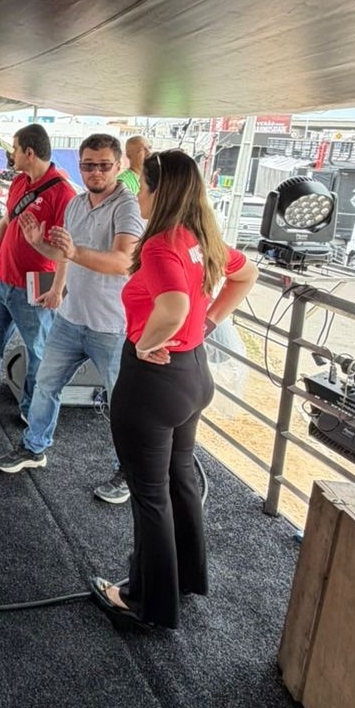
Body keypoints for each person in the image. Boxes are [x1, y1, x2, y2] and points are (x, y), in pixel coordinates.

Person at [90, 150, 256, 631]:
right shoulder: (200, 237)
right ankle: (186, 578)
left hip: (154, 383)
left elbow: (174, 306)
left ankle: (146, 601)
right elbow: (247, 275)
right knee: (179, 479)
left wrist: (145, 344)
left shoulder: (162, 244)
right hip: (192, 376)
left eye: (141, 185)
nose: (136, 193)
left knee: (149, 495)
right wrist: (209, 322)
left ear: (161, 190)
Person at [0, 134, 143, 506]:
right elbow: (64, 255)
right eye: (88, 164)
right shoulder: (75, 205)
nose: (95, 172)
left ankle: (131, 471)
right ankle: (33, 447)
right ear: (80, 165)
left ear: (119, 166)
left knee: (123, 402)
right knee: (45, 383)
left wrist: (73, 252)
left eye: (103, 165)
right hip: (71, 318)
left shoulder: (127, 207)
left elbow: (124, 261)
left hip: (112, 324)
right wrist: (41, 246)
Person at [0, 123, 75, 423]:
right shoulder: (19, 183)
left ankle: (32, 411)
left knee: (38, 352)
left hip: (37, 286)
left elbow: (68, 251)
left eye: (14, 149)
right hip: (3, 280)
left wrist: (56, 289)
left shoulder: (62, 193)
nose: (10, 155)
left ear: (29, 152)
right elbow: (5, 222)